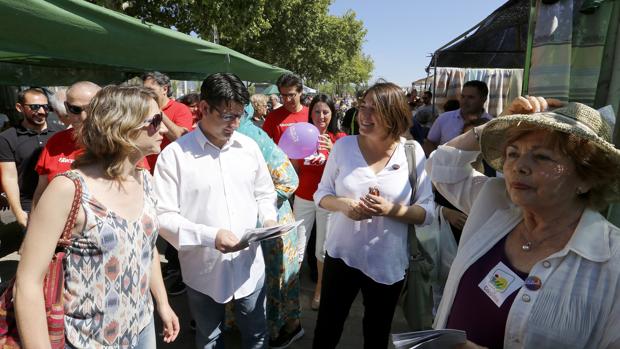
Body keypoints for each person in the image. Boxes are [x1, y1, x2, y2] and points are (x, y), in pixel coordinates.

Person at [427, 96, 620, 349]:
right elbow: (440, 167)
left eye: (541, 157)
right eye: (512, 153)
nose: (519, 166)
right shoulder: (495, 201)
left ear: (587, 177)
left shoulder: (611, 261)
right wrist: (494, 124)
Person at [14, 85, 180, 347]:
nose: (163, 129)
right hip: (87, 338)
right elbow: (27, 284)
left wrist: (162, 302)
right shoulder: (69, 188)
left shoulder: (145, 180)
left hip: (142, 328)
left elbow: (144, 249)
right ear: (123, 126)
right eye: (155, 121)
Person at [154, 73, 278, 349]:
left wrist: (269, 219)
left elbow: (264, 192)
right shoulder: (174, 156)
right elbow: (163, 217)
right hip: (203, 269)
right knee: (209, 338)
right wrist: (211, 236)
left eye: (240, 115)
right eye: (227, 116)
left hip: (249, 266)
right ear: (204, 108)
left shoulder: (249, 148)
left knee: (256, 333)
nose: (235, 124)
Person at [312, 82, 435, 349]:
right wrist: (343, 205)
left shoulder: (411, 154)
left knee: (377, 334)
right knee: (326, 330)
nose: (364, 116)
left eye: (375, 110)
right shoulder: (343, 147)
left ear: (394, 115)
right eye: (362, 107)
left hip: (387, 263)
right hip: (341, 256)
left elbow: (427, 213)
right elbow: (321, 195)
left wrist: (389, 209)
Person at [236, 104, 303, 348]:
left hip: (272, 225)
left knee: (276, 279)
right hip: (252, 226)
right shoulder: (226, 135)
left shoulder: (252, 136)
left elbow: (288, 179)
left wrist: (254, 204)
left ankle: (285, 327)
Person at [292, 94, 346, 311]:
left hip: (328, 200)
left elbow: (348, 173)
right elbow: (294, 168)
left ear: (332, 113)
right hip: (303, 197)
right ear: (310, 113)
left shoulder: (340, 139)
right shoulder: (302, 135)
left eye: (325, 112)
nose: (320, 116)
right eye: (316, 111)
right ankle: (289, 288)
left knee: (322, 249)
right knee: (296, 246)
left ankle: (320, 289)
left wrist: (333, 151)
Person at [142, 71, 193, 296]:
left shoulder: (180, 110)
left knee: (173, 224)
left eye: (151, 91)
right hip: (145, 174)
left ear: (165, 89)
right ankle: (166, 267)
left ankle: (183, 273)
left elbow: (183, 137)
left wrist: (159, 115)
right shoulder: (142, 107)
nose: (147, 95)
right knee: (151, 226)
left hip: (173, 180)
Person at [0, 88, 62, 229]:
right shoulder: (7, 138)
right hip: (29, 206)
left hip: (61, 202)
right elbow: (9, 178)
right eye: (35, 107)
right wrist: (19, 213)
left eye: (45, 107)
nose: (41, 111)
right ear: (19, 107)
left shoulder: (60, 134)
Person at [32, 81, 101, 207]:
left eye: (92, 108)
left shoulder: (120, 143)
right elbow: (40, 193)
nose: (84, 116)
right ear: (66, 108)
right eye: (75, 109)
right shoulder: (55, 142)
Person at [423, 80, 492, 157]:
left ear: (483, 99)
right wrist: (437, 160)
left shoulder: (490, 125)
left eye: (471, 97)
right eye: (463, 96)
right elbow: (429, 142)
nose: (465, 101)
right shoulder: (444, 118)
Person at [262, 73, 308, 144]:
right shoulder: (273, 117)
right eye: (284, 95)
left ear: (300, 92)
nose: (287, 99)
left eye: (291, 95)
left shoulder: (312, 114)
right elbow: (262, 143)